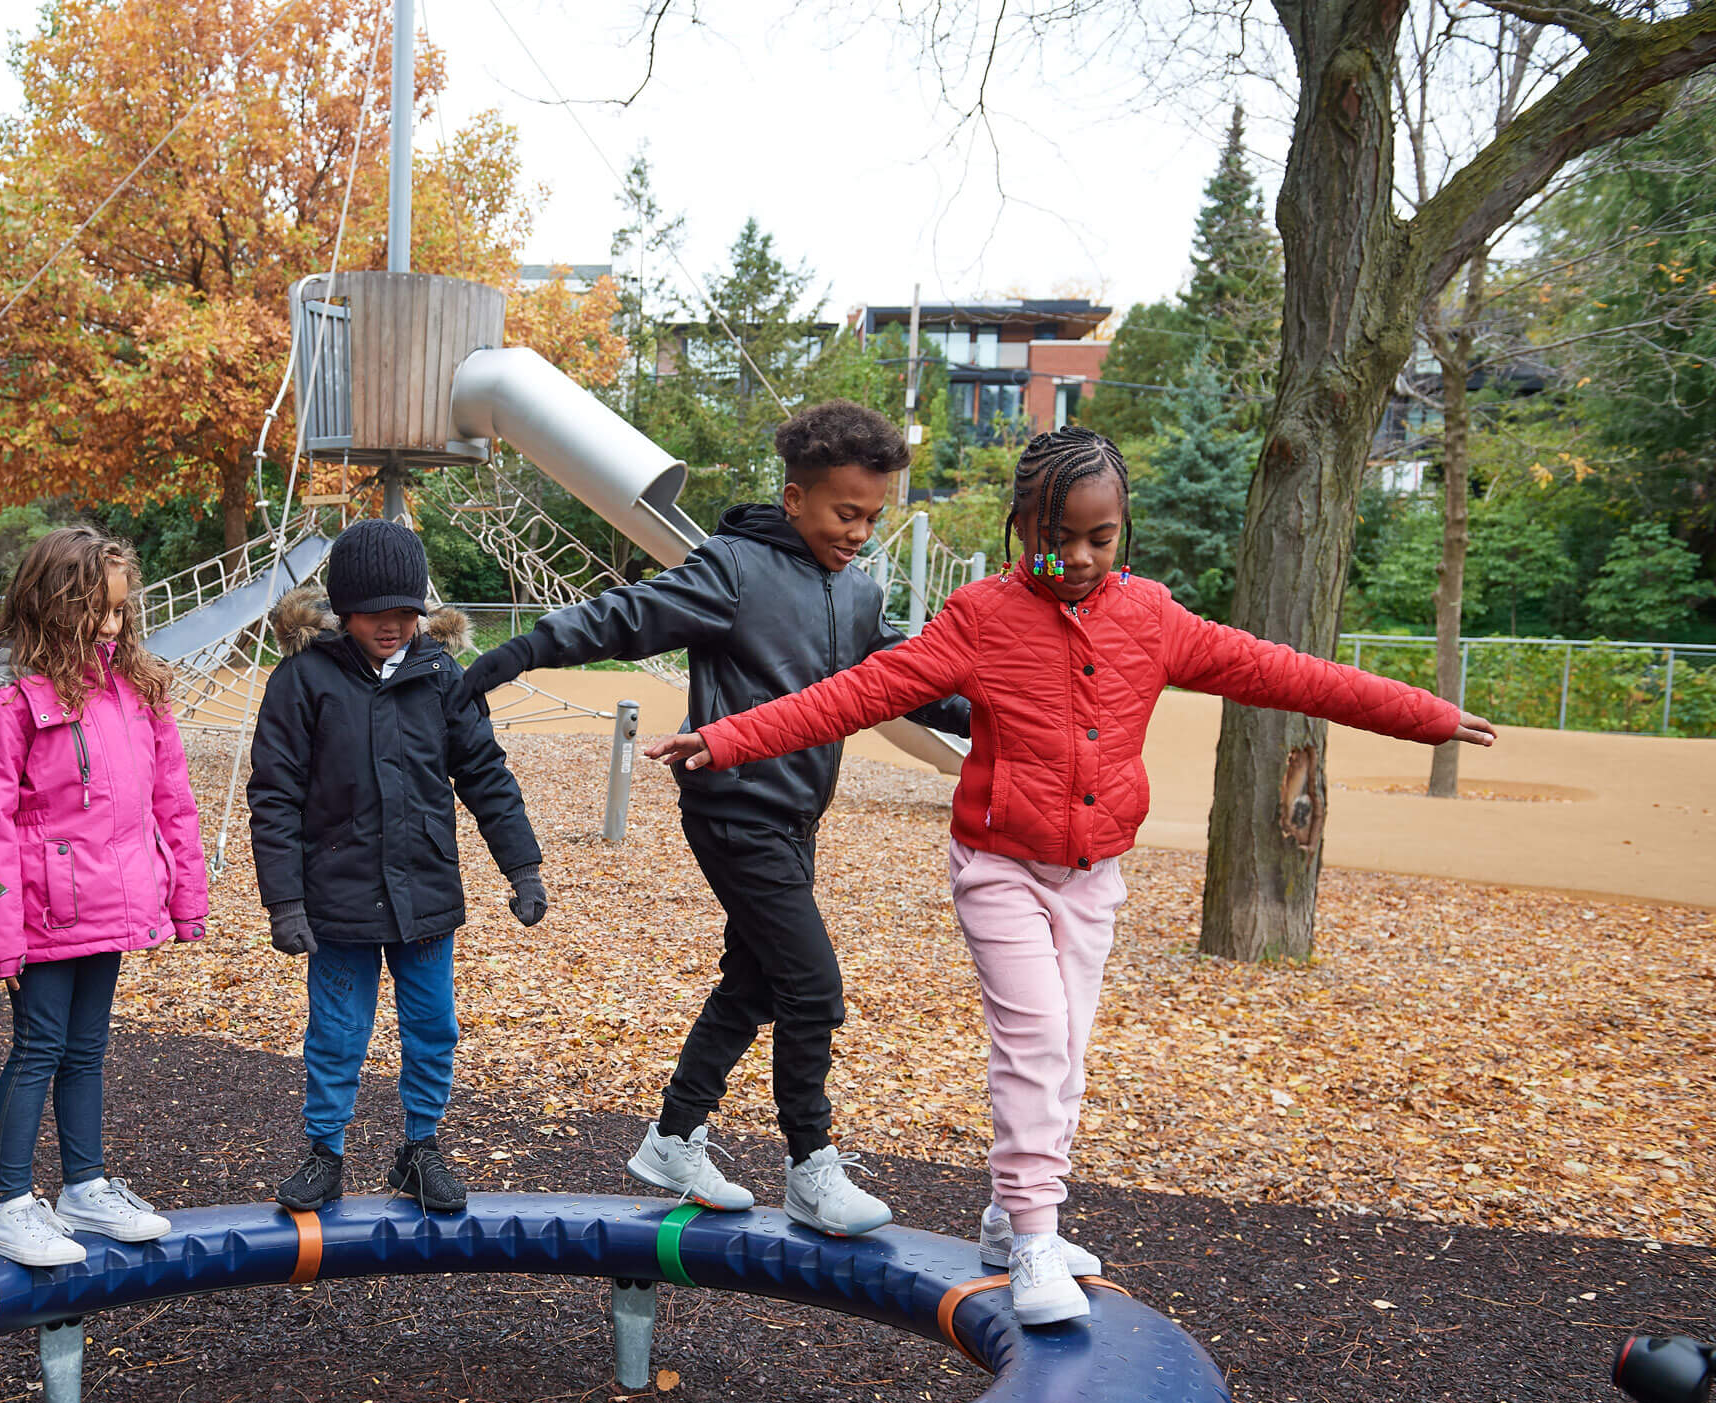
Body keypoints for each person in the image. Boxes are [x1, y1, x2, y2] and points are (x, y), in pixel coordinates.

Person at [644, 424, 1498, 1323]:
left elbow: (1285, 674)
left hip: (1092, 875)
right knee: (1036, 1044)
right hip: (998, 867)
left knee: (1067, 1058)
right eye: (1059, 539)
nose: (1081, 558)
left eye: (1103, 538)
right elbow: (855, 695)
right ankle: (1037, 1240)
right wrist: (725, 737)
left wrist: (1426, 716)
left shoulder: (1153, 618)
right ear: (1022, 528)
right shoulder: (980, 618)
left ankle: (1008, 1222)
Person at [456, 400, 969, 1237]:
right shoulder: (733, 568)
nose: (860, 532)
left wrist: (993, 713)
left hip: (797, 818)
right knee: (813, 989)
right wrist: (513, 654)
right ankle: (810, 1167)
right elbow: (624, 616)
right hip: (736, 809)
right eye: (846, 513)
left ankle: (674, 1136)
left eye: (874, 516)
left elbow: (907, 684)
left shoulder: (862, 593)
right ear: (796, 497)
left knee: (757, 982)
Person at [249, 518, 547, 1214]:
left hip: (424, 892)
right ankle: (324, 1153)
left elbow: (485, 775)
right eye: (377, 613)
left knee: (432, 1024)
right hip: (338, 895)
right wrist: (284, 902)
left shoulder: (442, 676)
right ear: (343, 611)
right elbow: (275, 795)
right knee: (338, 1031)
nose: (393, 625)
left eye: (407, 612)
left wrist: (523, 867)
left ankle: (421, 1149)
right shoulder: (301, 682)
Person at [0, 527, 208, 1267]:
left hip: (113, 896)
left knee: (88, 1049)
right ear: (51, 605)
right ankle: (6, 1202)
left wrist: (183, 896)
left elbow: (173, 798)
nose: (109, 625)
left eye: (120, 612)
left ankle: (84, 1186)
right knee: (38, 1047)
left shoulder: (136, 685)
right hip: (42, 903)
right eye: (93, 611)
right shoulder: (8, 691)